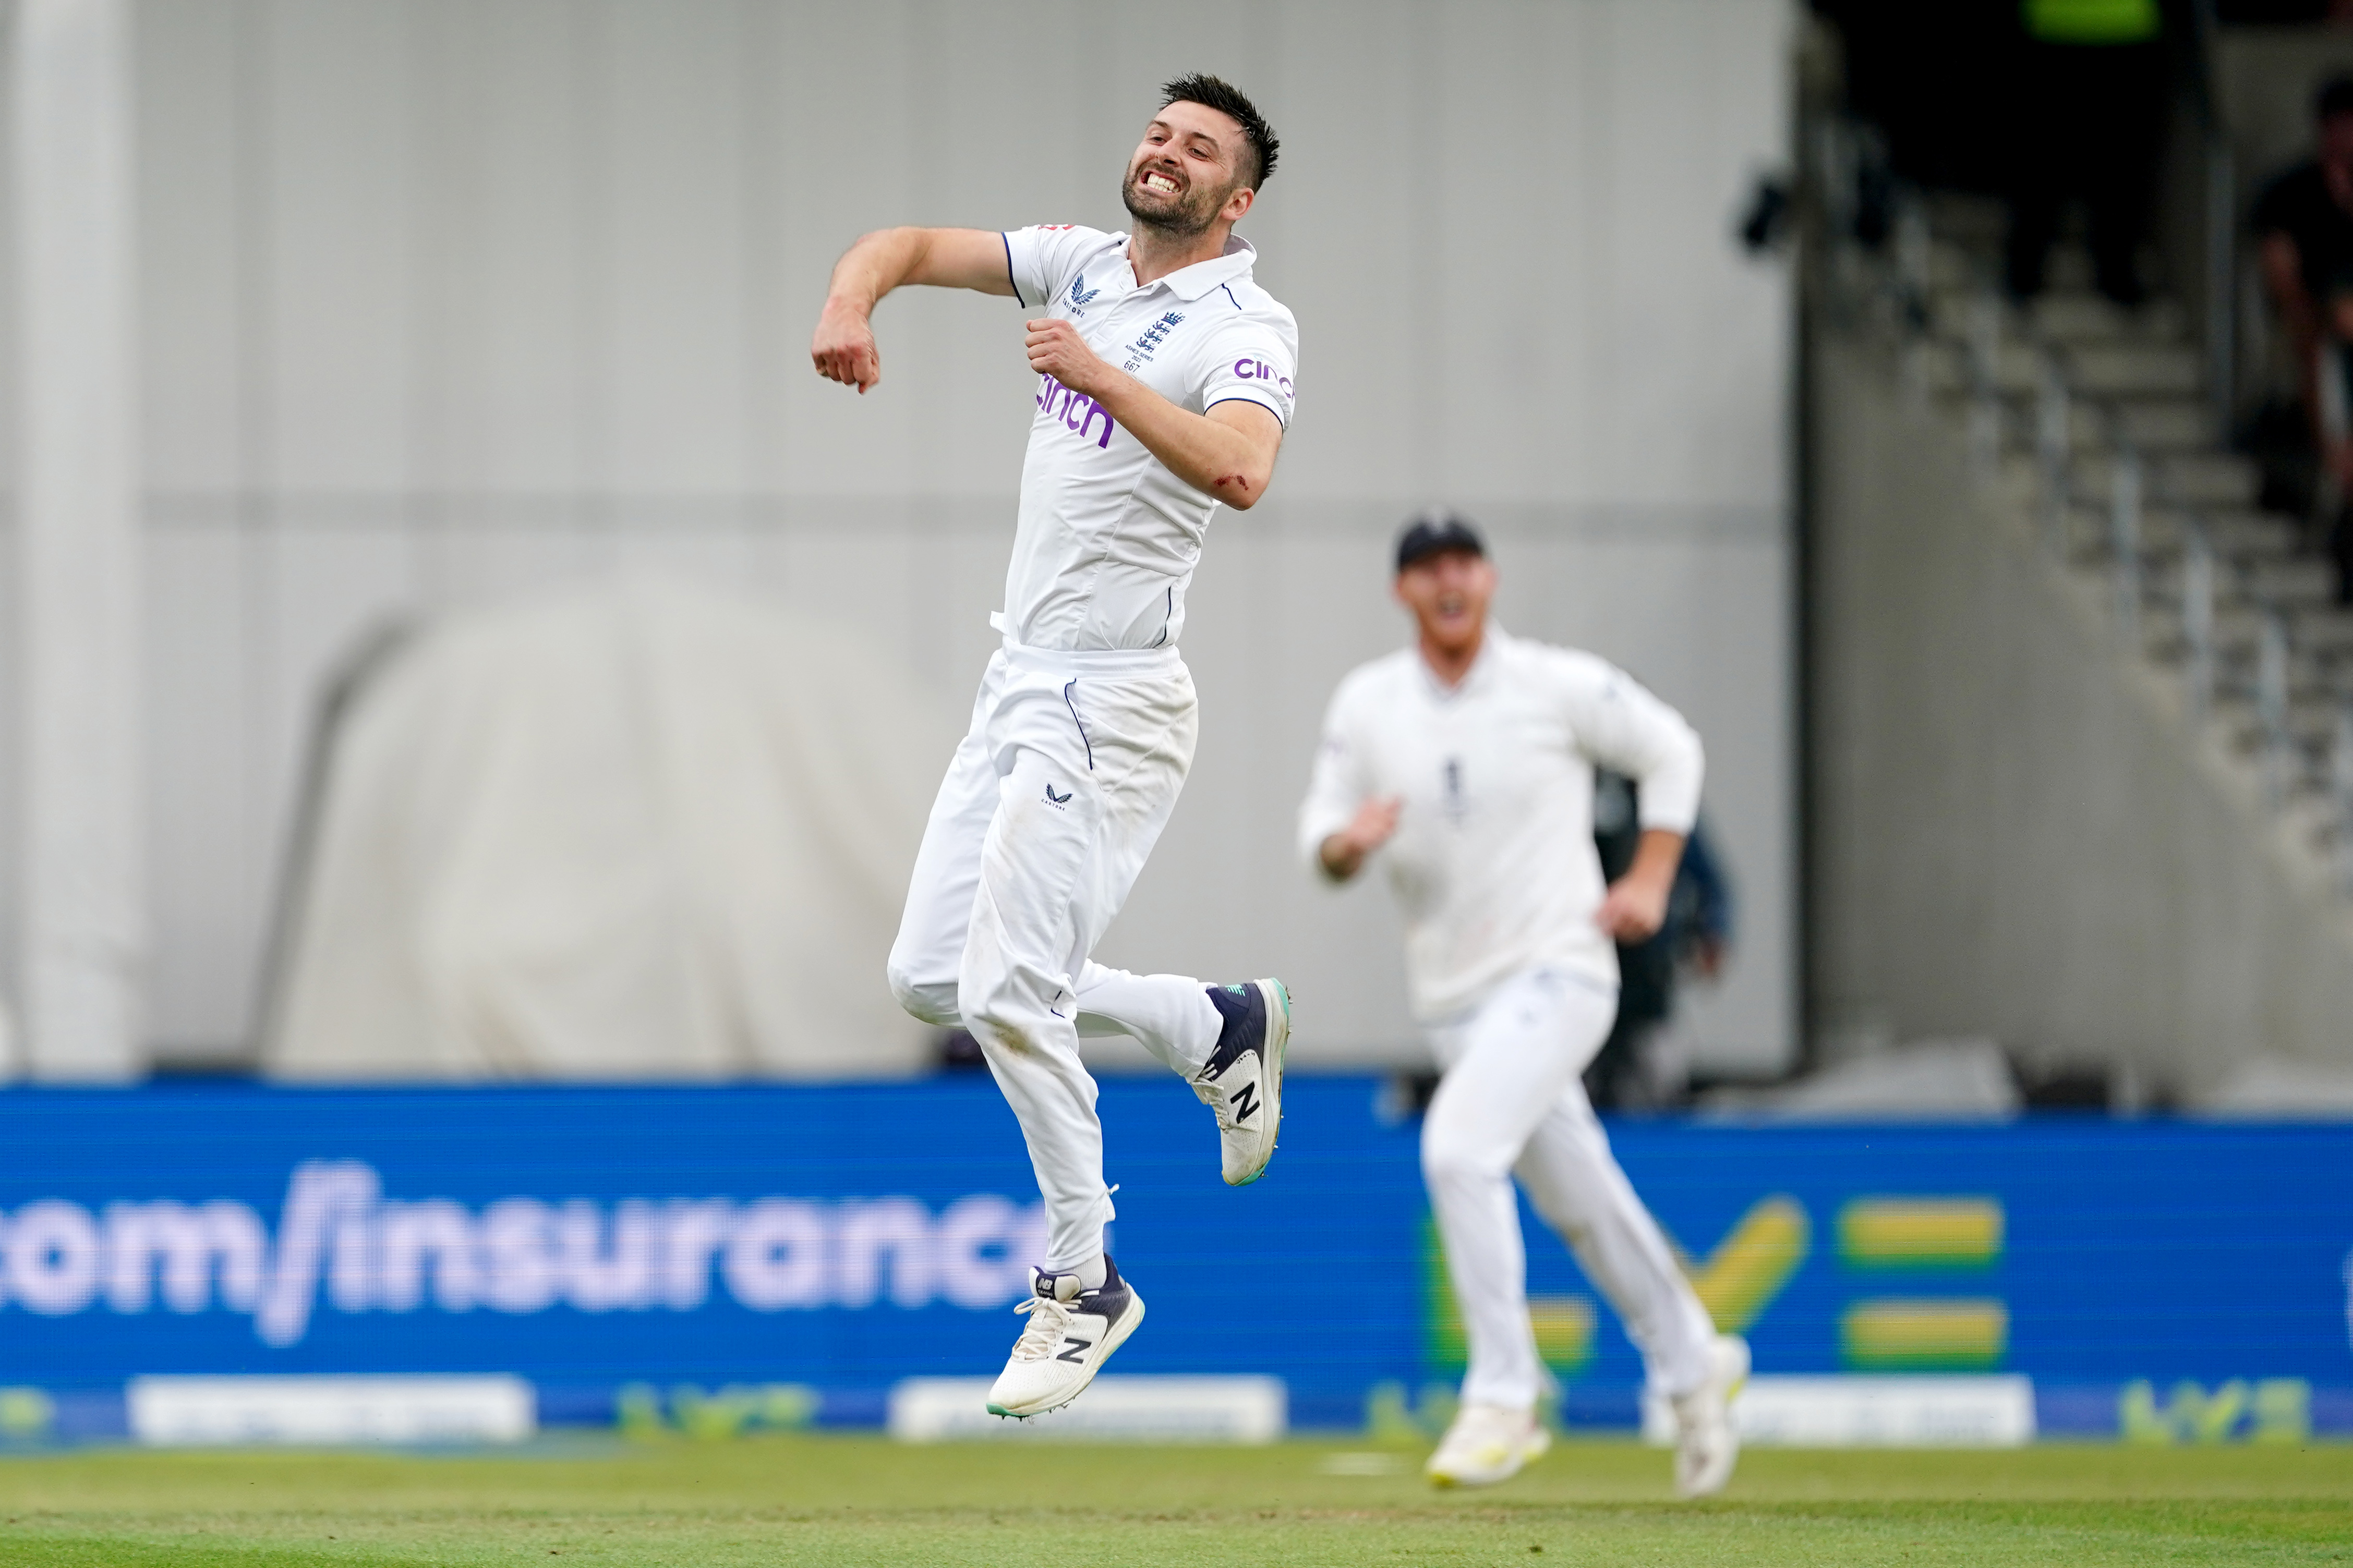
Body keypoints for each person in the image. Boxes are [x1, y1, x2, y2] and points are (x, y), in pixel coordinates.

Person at [810, 76, 1297, 1420]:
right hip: (1018, 678)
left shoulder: (1246, 324)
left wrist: (1103, 377)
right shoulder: (1080, 264)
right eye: (1159, 132)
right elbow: (906, 245)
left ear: (1237, 198)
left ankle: (1084, 1280)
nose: (1166, 152)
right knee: (929, 979)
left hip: (1115, 697)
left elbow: (1243, 470)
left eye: (1199, 148)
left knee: (1008, 991)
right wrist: (851, 303)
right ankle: (1206, 1022)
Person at [1298, 517, 1746, 1494]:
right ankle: (1692, 1360)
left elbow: (1671, 749)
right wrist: (1347, 844)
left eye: (1462, 564)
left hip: (1561, 970)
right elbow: (1319, 834)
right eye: (1426, 569)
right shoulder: (1369, 703)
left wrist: (1652, 879)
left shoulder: (1553, 682)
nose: (1447, 581)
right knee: (1581, 1200)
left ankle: (1504, 1395)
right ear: (1402, 591)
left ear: (1489, 578)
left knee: (1457, 1150)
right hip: (1453, 1003)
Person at [2254, 74, 2353, 599]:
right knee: (2314, 351)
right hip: (2310, 330)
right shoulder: (2292, 193)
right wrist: (2323, 318)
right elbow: (2281, 277)